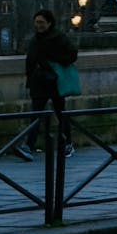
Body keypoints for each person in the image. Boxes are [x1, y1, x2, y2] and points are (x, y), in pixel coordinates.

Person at [14, 9, 78, 161]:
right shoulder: (35, 40)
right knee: (37, 115)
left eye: (41, 22)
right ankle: (29, 146)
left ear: (49, 23)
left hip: (54, 81)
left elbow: (72, 55)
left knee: (60, 113)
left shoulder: (58, 38)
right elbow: (30, 62)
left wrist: (54, 61)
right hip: (39, 83)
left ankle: (67, 143)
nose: (38, 25)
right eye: (37, 22)